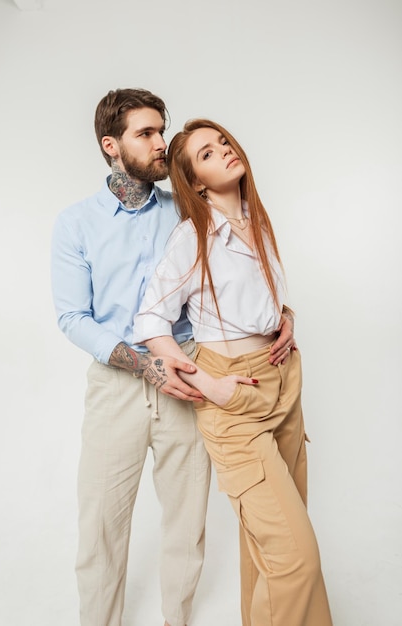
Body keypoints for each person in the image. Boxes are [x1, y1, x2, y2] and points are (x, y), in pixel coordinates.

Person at [51, 88, 298, 626]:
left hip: (194, 373)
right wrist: (147, 366)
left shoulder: (190, 210)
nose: (162, 142)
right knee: (100, 528)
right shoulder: (76, 224)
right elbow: (73, 318)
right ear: (111, 145)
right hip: (118, 384)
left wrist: (285, 316)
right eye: (146, 134)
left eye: (162, 130)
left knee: (187, 528)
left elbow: (242, 274)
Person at [133, 119, 333, 626]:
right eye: (206, 152)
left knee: (269, 551)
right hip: (234, 396)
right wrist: (206, 382)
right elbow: (150, 321)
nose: (224, 151)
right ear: (195, 181)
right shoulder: (191, 236)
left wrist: (285, 318)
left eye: (223, 142)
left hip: (283, 379)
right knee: (295, 559)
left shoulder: (256, 219)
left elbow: (263, 299)